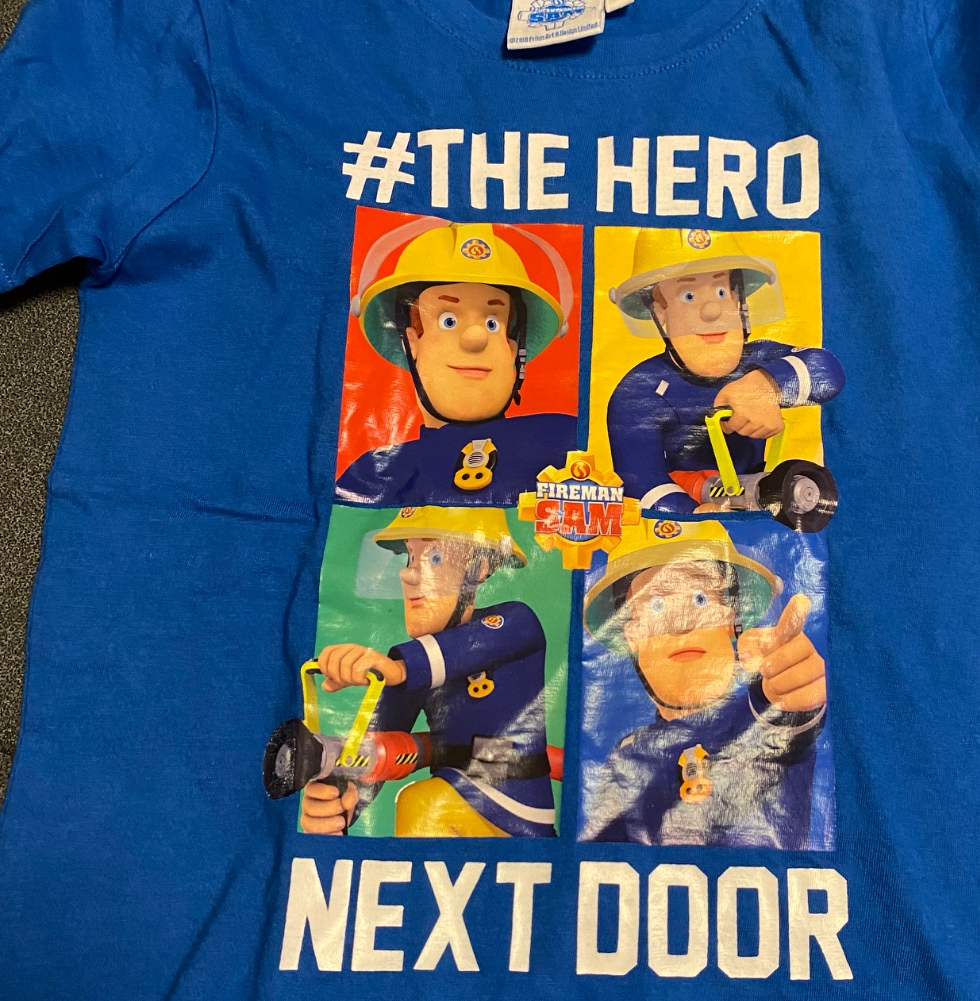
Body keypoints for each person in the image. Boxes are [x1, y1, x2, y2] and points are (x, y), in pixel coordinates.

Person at [301, 507, 557, 838]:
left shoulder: (515, 622)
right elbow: (375, 738)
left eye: (435, 557)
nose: (408, 575)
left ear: (479, 568)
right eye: (410, 557)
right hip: (454, 794)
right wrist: (339, 801)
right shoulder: (409, 668)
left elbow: (469, 646)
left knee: (421, 803)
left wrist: (398, 669)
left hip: (517, 806)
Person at [580, 518, 828, 847]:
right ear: (631, 637)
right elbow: (598, 856)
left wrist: (789, 698)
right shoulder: (627, 753)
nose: (682, 625)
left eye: (700, 599)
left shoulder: (757, 718)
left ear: (731, 621)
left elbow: (783, 727)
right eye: (657, 605)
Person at [604, 227, 845, 514]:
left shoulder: (759, 357)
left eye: (720, 292)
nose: (711, 311)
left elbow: (827, 370)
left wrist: (768, 384)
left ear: (737, 300)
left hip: (757, 502)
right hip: (685, 520)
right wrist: (694, 516)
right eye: (688, 295)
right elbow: (640, 482)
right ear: (660, 312)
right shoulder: (638, 389)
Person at [335, 222, 577, 506]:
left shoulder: (565, 442)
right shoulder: (371, 477)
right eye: (447, 320)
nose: (476, 338)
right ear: (411, 343)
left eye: (492, 323)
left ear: (513, 351)